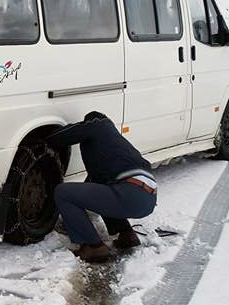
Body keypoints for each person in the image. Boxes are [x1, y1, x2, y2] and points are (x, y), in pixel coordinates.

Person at [48, 111, 157, 263]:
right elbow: (92, 192)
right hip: (147, 196)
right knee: (105, 190)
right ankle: (126, 234)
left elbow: (57, 138)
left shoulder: (98, 125)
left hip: (130, 192)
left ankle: (93, 247)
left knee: (63, 192)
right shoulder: (115, 143)